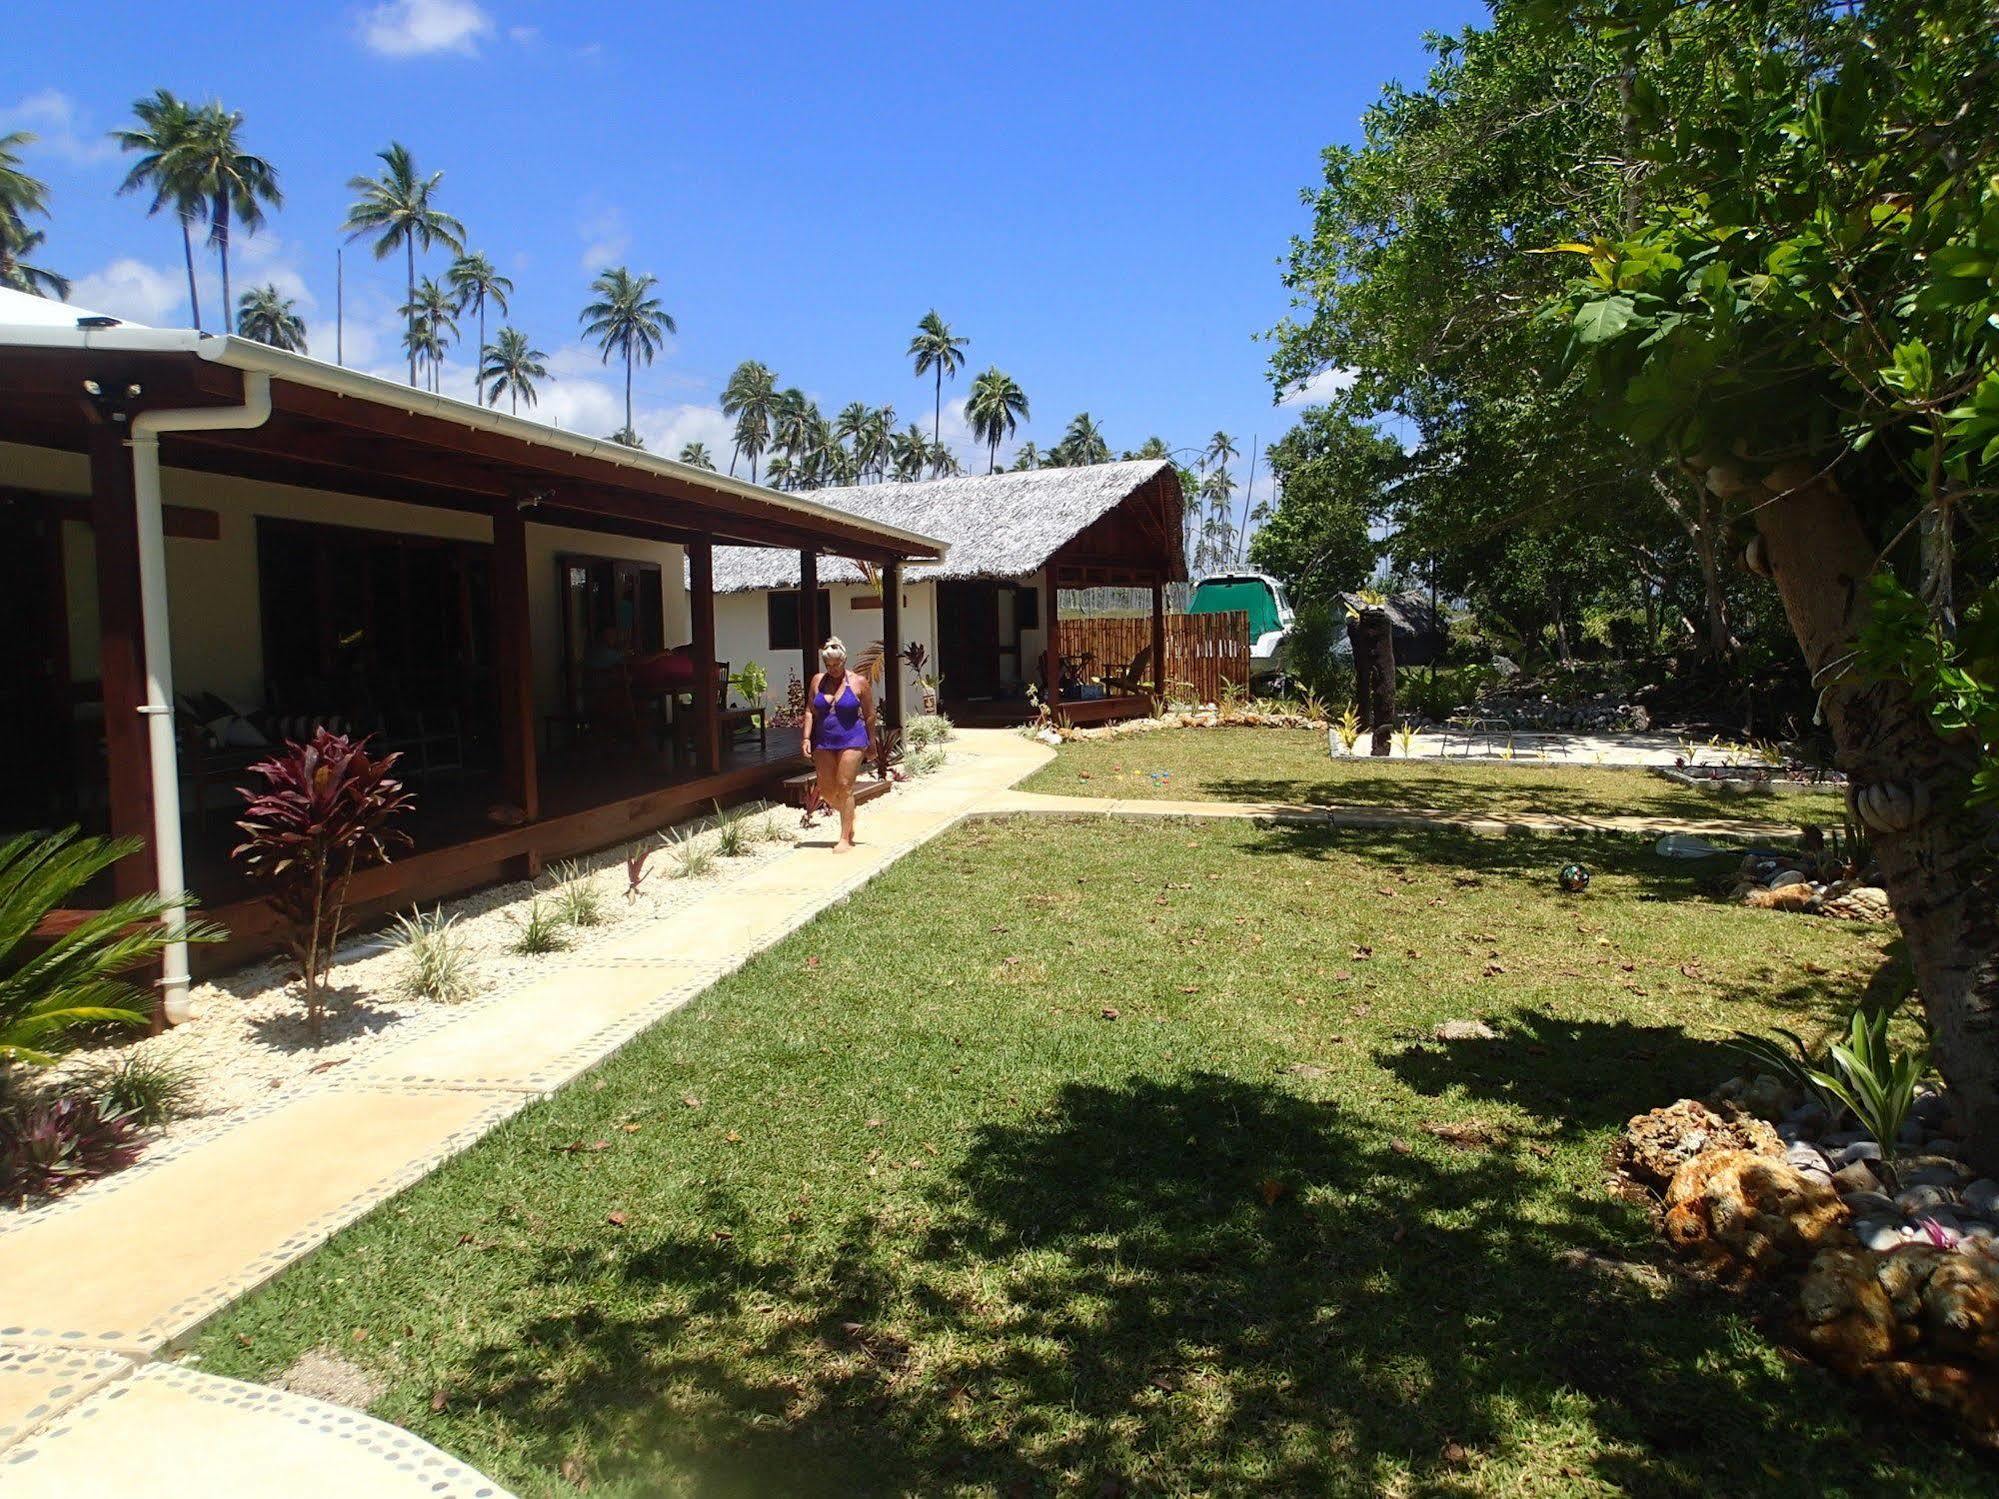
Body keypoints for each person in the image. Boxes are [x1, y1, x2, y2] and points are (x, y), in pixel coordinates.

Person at [803, 636, 872, 851]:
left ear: (844, 661)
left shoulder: (859, 682)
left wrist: (872, 743)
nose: (832, 669)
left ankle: (844, 838)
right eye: (828, 665)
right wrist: (806, 737)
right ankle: (849, 815)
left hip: (853, 738)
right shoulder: (817, 681)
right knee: (826, 789)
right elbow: (809, 711)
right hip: (824, 740)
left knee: (844, 785)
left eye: (836, 664)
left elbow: (870, 715)